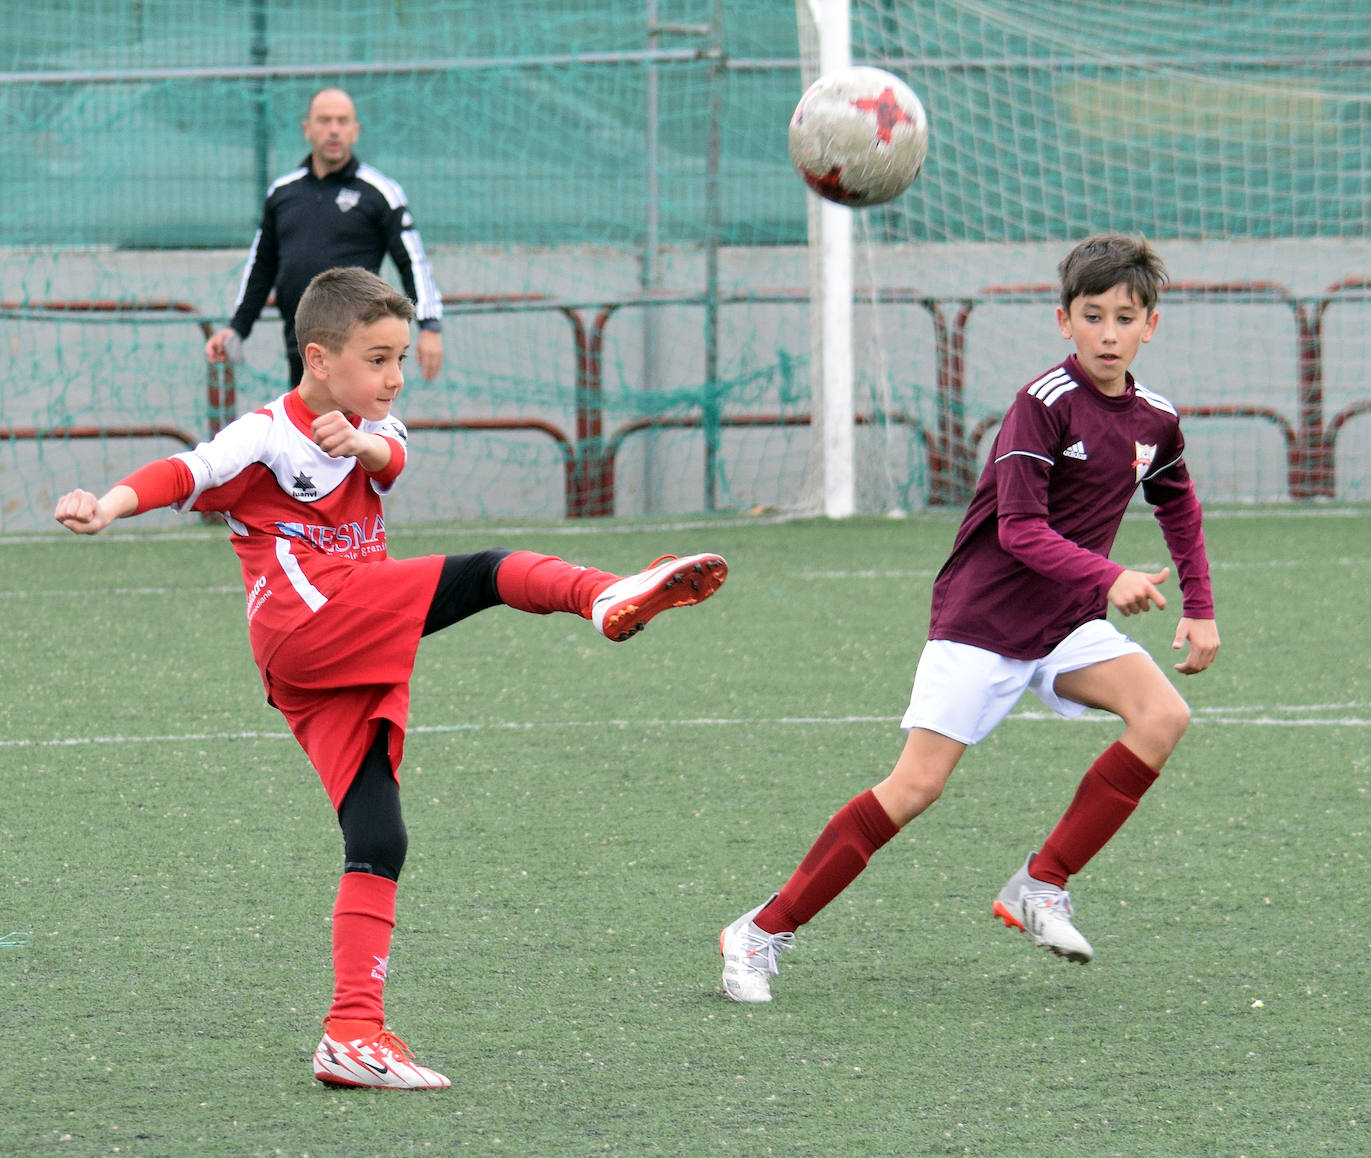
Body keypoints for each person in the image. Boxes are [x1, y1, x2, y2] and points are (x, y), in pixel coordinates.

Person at [58, 267, 728, 1089]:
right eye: (377, 359)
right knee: (485, 571)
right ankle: (603, 595)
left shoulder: (376, 426)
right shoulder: (264, 434)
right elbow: (184, 472)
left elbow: (388, 453)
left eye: (400, 357)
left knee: (379, 839)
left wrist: (365, 437)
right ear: (318, 358)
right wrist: (109, 503)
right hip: (310, 624)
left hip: (327, 661)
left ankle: (351, 1033)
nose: (395, 377)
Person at [719, 234, 1220, 1002]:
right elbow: (1019, 530)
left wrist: (1201, 609)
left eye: (1126, 317)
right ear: (1064, 321)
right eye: (1094, 316)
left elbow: (1176, 501)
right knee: (915, 787)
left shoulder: (1155, 418)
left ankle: (1040, 883)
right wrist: (1110, 572)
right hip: (982, 622)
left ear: (1151, 325)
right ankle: (759, 932)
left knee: (1161, 716)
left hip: (1066, 624)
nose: (1110, 332)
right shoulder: (1041, 405)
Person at [205, 88, 445, 386]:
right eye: (324, 120)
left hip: (357, 348)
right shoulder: (283, 193)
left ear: (355, 131)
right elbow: (261, 265)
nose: (334, 130)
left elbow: (413, 262)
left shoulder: (380, 192)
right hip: (302, 348)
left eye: (342, 121)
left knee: (351, 432)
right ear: (307, 129)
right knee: (306, 431)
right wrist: (237, 327)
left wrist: (430, 325)